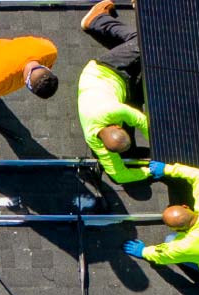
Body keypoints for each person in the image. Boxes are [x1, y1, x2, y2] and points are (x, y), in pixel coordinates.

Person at [77, 0, 151, 184]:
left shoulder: (113, 111)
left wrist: (163, 151)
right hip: (122, 89)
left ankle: (96, 20)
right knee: (150, 79)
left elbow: (142, 121)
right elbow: (120, 176)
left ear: (117, 126)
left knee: (143, 44)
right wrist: (147, 172)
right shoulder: (96, 142)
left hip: (105, 70)